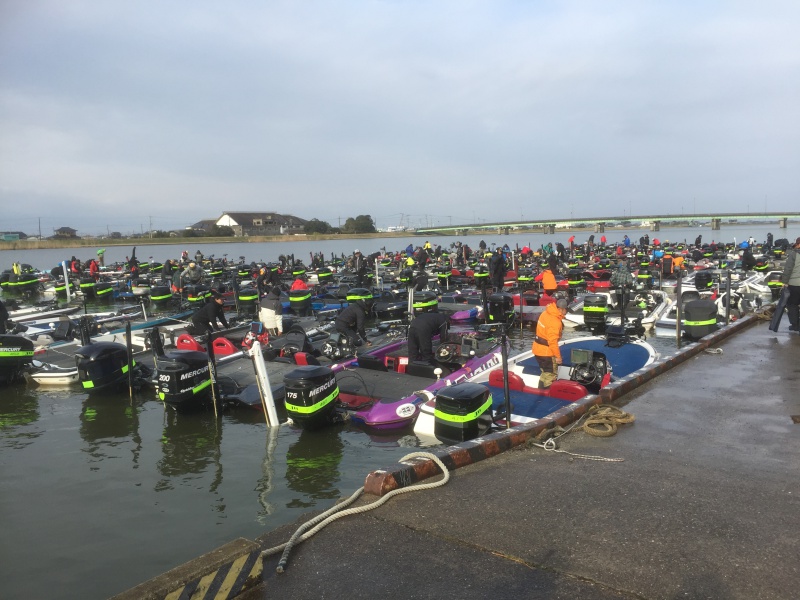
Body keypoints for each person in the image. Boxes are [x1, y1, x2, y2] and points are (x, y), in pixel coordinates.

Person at [532, 298, 568, 389]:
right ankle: (547, 396)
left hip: (537, 349)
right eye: (565, 309)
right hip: (546, 353)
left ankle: (540, 392)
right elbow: (552, 342)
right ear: (560, 309)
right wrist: (558, 357)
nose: (566, 312)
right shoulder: (555, 322)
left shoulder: (545, 313)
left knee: (544, 373)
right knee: (550, 376)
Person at [407, 292, 450, 365]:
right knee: (426, 351)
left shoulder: (434, 316)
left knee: (413, 350)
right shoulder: (445, 320)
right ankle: (427, 367)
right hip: (423, 328)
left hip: (413, 325)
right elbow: (444, 336)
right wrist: (444, 348)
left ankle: (411, 366)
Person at [780, 237, 800, 332]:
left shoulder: (794, 254)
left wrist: (784, 282)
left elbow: (788, 269)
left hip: (794, 284)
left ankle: (795, 325)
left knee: (792, 304)